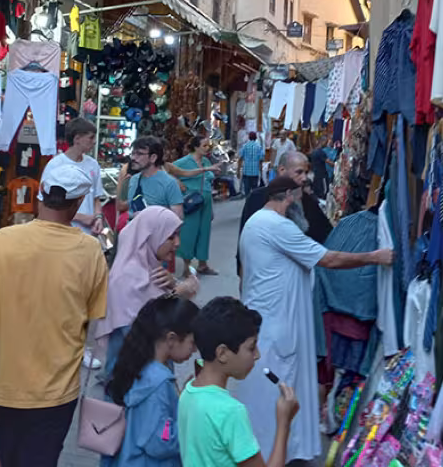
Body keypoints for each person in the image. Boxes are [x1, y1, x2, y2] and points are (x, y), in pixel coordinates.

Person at [236, 177, 394, 463]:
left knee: (267, 394)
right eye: (300, 195)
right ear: (288, 196)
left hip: (266, 322)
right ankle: (273, 454)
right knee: (276, 393)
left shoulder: (255, 222)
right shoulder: (278, 226)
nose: (303, 202)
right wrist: (376, 257)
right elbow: (329, 260)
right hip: (278, 327)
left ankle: (270, 451)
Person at [0, 163, 109, 467]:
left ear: (41, 193)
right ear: (76, 204)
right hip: (58, 392)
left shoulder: (3, 241)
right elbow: (91, 320)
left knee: (6, 456)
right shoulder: (90, 251)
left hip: (6, 386)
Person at [179, 297, 300, 467]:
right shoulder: (231, 412)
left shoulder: (187, 391)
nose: (257, 355)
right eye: (251, 348)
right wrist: (284, 422)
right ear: (222, 353)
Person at [96, 206, 199, 378]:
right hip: (135, 385)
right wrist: (178, 292)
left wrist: (177, 287)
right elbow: (149, 336)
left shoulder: (149, 270)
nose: (177, 243)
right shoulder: (128, 278)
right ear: (150, 237)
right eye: (170, 237)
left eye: (177, 235)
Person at [102, 296, 200, 467]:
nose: (194, 350)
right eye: (192, 342)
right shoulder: (158, 383)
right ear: (171, 339)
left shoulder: (138, 365)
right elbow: (160, 443)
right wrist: (191, 421)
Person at [237, 151, 333, 277]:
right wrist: (242, 275)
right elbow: (244, 244)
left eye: (306, 172)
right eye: (299, 172)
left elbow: (325, 236)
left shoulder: (308, 201)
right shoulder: (257, 198)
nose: (304, 178)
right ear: (282, 170)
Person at [41, 117, 106, 235]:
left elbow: (96, 198)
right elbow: (44, 203)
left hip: (87, 233)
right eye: (91, 137)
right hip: (61, 232)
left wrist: (98, 218)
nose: (94, 141)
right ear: (77, 139)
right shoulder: (55, 165)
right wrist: (80, 217)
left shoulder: (93, 164)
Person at [173, 136, 217, 277]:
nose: (207, 148)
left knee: (204, 231)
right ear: (196, 147)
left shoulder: (205, 161)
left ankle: (202, 264)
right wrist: (177, 182)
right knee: (189, 232)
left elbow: (209, 180)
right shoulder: (184, 162)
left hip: (206, 200)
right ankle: (187, 266)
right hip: (191, 201)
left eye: (207, 146)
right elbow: (167, 171)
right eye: (204, 146)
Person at [125, 136, 185, 219]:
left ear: (153, 158)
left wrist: (150, 215)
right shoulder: (134, 179)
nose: (133, 158)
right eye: (133, 153)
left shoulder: (169, 183)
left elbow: (177, 218)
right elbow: (131, 210)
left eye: (139, 154)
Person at [238, 132, 265, 196]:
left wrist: (238, 171)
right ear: (256, 138)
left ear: (249, 137)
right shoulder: (259, 147)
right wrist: (261, 172)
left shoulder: (245, 146)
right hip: (255, 172)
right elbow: (260, 160)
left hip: (246, 171)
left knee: (247, 191)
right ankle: (254, 204)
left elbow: (240, 159)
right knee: (255, 190)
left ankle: (247, 203)